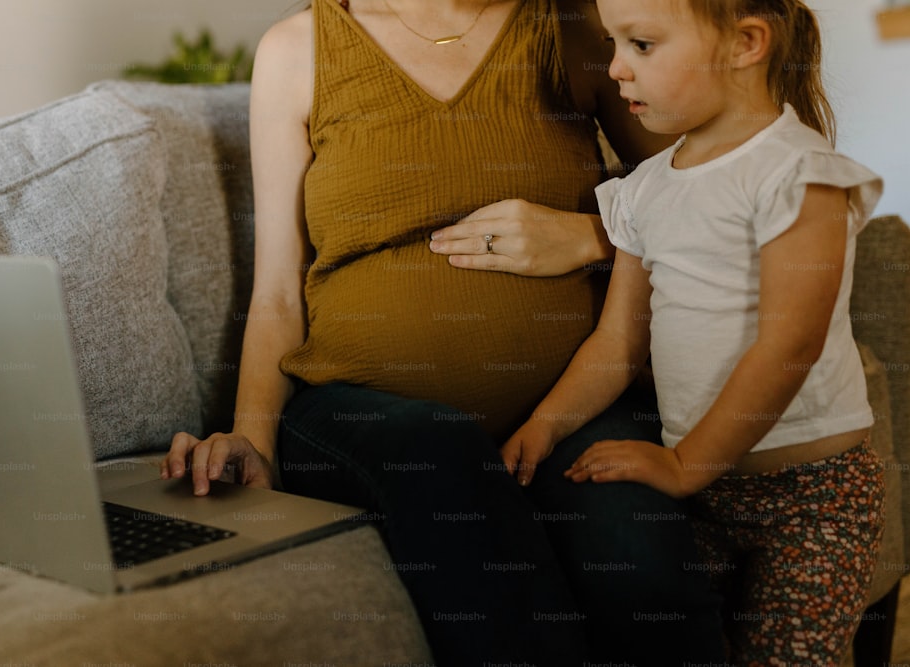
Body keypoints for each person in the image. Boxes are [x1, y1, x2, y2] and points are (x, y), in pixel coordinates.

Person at [163, 0, 725, 664]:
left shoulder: (575, 26)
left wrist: (588, 236)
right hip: (358, 407)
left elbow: (708, 196)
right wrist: (254, 440)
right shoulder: (297, 50)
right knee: (439, 453)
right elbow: (280, 288)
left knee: (638, 563)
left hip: (573, 399)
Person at [502, 0, 887, 664]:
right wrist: (546, 423)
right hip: (709, 493)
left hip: (813, 494)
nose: (616, 68)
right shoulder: (645, 190)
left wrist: (685, 464)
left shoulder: (797, 173)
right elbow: (617, 345)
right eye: (612, 43)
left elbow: (789, 344)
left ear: (746, 43)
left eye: (642, 45)